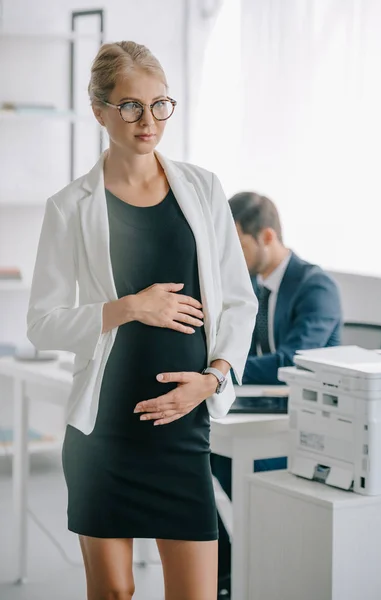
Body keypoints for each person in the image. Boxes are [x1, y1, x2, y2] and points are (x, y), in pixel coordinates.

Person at [27, 41, 258, 600]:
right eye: (130, 105)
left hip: (183, 429)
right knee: (113, 593)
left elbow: (238, 302)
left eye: (159, 104)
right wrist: (131, 306)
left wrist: (214, 378)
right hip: (104, 432)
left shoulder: (202, 189)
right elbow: (43, 323)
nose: (147, 120)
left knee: (196, 595)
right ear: (100, 109)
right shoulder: (70, 206)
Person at [212, 191, 342, 596]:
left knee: (226, 458)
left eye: (238, 242)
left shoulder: (315, 286)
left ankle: (256, 559)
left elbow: (294, 361)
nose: (230, 253)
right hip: (259, 409)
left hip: (303, 421)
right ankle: (227, 570)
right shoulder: (250, 286)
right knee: (197, 452)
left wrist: (224, 368)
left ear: (266, 235)